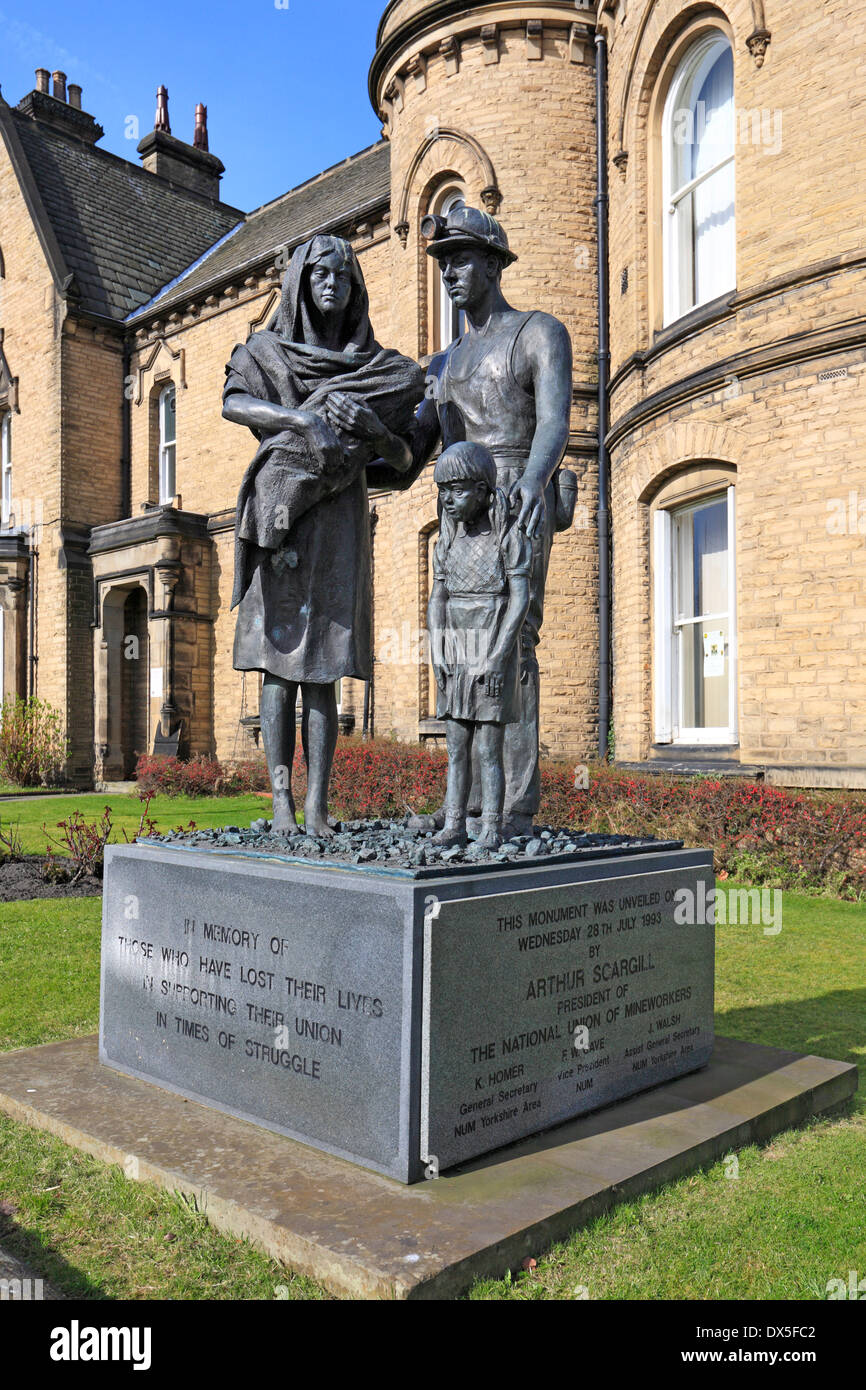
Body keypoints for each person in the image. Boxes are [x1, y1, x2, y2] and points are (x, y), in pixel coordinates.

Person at [373, 205, 575, 836]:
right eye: (442, 263)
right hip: (459, 506)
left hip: (517, 491)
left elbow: (554, 425)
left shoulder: (539, 333)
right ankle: (466, 804)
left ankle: (513, 804)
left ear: (492, 263)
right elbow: (411, 456)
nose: (450, 273)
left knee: (511, 644)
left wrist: (533, 486)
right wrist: (356, 450)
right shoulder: (441, 365)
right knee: (461, 651)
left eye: (461, 259)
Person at [223, 235, 425, 836]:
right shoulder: (266, 351)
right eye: (320, 276)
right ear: (300, 286)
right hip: (282, 515)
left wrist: (374, 431)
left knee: (325, 665)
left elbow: (405, 461)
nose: (332, 284)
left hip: (340, 518)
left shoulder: (377, 370)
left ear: (355, 288)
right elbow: (234, 402)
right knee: (277, 663)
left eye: (343, 275)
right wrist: (300, 419)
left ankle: (317, 805)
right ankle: (282, 802)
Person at [428, 442, 531, 850]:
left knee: (488, 747)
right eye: (444, 491)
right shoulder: (446, 542)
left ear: (484, 489)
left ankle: (491, 824)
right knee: (456, 745)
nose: (448, 500)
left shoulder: (509, 537)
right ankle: (453, 823)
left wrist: (498, 656)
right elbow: (438, 598)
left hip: (492, 646)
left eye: (457, 490)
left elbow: (519, 600)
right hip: (456, 650)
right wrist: (436, 648)